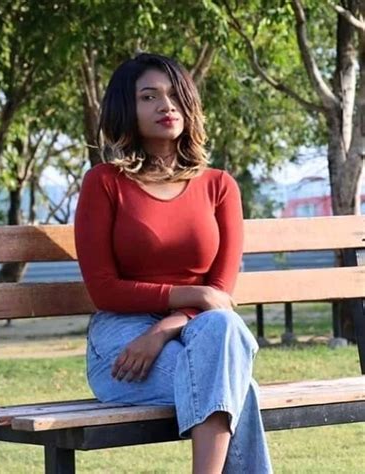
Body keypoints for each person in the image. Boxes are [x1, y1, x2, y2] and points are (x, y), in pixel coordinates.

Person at [74, 52, 272, 474]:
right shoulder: (104, 183)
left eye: (175, 95)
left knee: (224, 330)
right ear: (127, 109)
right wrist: (192, 295)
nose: (167, 106)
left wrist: (162, 330)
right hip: (122, 341)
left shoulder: (219, 186)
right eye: (149, 97)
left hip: (199, 329)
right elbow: (104, 289)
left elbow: (219, 296)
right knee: (237, 384)